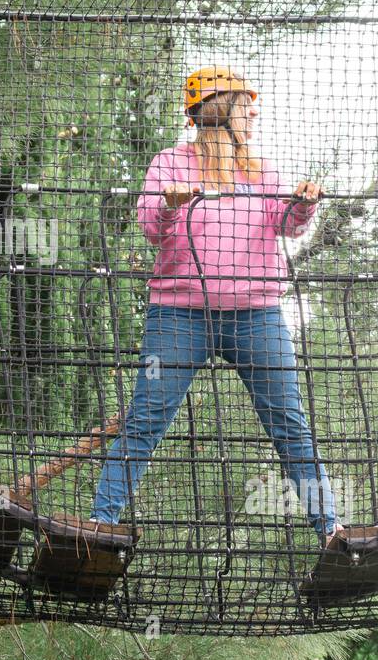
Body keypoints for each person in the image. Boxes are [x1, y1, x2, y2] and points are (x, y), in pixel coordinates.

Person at [90, 66, 345, 547]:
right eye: (245, 103)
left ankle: (331, 531)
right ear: (218, 108)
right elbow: (151, 228)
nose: (253, 111)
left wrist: (305, 203)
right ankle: (100, 526)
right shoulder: (169, 163)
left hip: (257, 316)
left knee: (289, 423)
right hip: (178, 316)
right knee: (146, 419)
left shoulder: (262, 170)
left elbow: (287, 224)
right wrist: (169, 205)